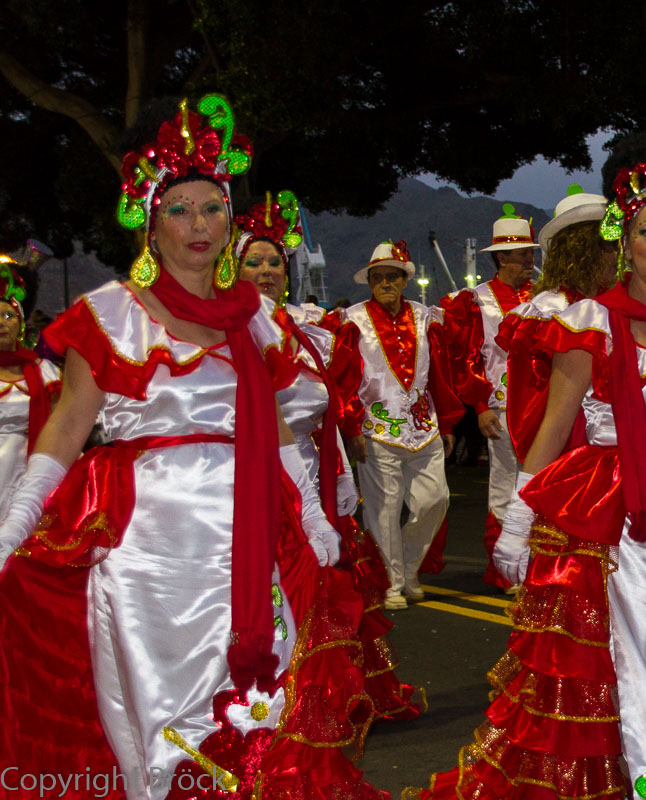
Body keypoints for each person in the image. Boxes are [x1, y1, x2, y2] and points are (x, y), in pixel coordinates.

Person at [0, 96, 386, 797]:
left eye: (212, 208)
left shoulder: (260, 320)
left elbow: (276, 429)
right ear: (150, 221)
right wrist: (14, 524)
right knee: (157, 723)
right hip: (145, 549)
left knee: (264, 712)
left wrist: (312, 517)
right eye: (179, 209)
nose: (199, 225)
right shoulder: (109, 315)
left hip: (253, 540)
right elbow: (64, 429)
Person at [408, 135, 646, 800]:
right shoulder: (590, 322)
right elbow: (554, 426)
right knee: (615, 680)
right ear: (625, 238)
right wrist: (519, 523)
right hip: (612, 525)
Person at [236, 197, 428, 719]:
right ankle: (270, 700)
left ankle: (324, 694)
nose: (268, 271)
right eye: (253, 262)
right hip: (255, 479)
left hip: (314, 471)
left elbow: (328, 404)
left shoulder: (306, 325)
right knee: (281, 588)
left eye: (275, 262)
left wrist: (339, 471)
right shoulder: (227, 328)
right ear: (231, 268)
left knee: (326, 583)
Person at [332, 240, 461, 609]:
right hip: (376, 430)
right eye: (378, 277)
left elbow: (441, 374)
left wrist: (448, 422)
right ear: (369, 282)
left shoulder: (425, 317)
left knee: (436, 499)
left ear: (405, 280)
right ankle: (390, 581)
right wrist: (351, 428)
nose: (386, 283)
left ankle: (406, 564)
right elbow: (342, 381)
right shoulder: (352, 321)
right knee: (383, 508)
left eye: (393, 276)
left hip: (425, 428)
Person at [441, 205, 535, 591]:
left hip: (543, 405)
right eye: (524, 254)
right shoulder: (475, 300)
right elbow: (465, 358)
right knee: (504, 484)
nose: (531, 260)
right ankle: (507, 568)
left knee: (539, 483)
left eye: (532, 253)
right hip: (500, 405)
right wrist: (479, 407)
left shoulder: (545, 295)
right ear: (502, 258)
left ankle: (538, 564)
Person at [495, 184, 617, 463]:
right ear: (582, 251)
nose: (617, 256)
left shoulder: (617, 307)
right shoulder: (547, 313)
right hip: (570, 457)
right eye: (608, 246)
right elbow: (530, 408)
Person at [0, 261, 60, 515]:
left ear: (20, 324)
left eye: (8, 316)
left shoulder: (43, 370)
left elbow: (62, 424)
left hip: (33, 466)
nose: (2, 323)